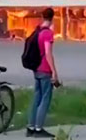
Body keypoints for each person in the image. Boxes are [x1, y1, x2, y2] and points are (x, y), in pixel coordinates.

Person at [26, 8, 59, 138]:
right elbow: (48, 53)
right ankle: (39, 129)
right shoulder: (47, 33)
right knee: (45, 99)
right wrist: (54, 72)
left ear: (42, 17)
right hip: (45, 69)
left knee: (36, 98)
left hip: (36, 69)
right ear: (52, 18)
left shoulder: (37, 31)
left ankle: (30, 127)